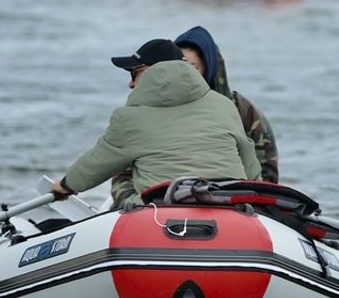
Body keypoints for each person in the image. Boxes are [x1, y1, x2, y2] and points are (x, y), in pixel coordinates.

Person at [49, 38, 262, 207]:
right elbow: (250, 166)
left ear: (152, 72)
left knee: (131, 198)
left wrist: (65, 186)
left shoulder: (129, 118)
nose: (131, 83)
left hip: (161, 212)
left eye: (134, 73)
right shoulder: (224, 105)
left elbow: (96, 163)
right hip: (229, 206)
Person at [109, 26, 279, 206]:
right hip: (154, 208)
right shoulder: (143, 112)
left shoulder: (244, 113)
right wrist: (133, 202)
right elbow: (123, 174)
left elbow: (266, 176)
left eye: (191, 68)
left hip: (228, 209)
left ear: (210, 70)